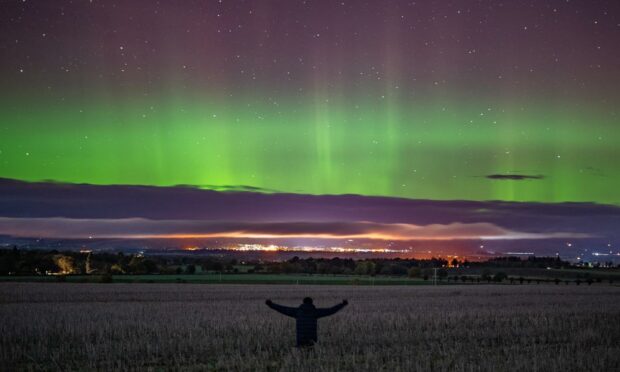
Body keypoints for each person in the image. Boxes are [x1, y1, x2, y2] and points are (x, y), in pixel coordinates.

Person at [265, 297, 348, 347]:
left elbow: (282, 309)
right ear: (311, 303)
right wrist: (342, 304)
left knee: (301, 358)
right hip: (312, 340)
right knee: (311, 359)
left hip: (300, 340)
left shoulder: (297, 312)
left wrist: (271, 304)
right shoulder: (315, 312)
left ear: (303, 302)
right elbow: (331, 310)